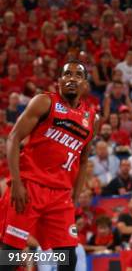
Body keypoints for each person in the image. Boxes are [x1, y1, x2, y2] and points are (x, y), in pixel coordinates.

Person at [0, 61, 98, 271]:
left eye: (78, 75)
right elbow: (14, 138)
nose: (72, 78)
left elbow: (83, 158)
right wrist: (16, 182)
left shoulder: (91, 118)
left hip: (60, 195)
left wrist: (75, 195)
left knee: (68, 258)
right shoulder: (44, 102)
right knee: (10, 257)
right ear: (59, 81)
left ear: (85, 84)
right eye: (67, 74)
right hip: (29, 188)